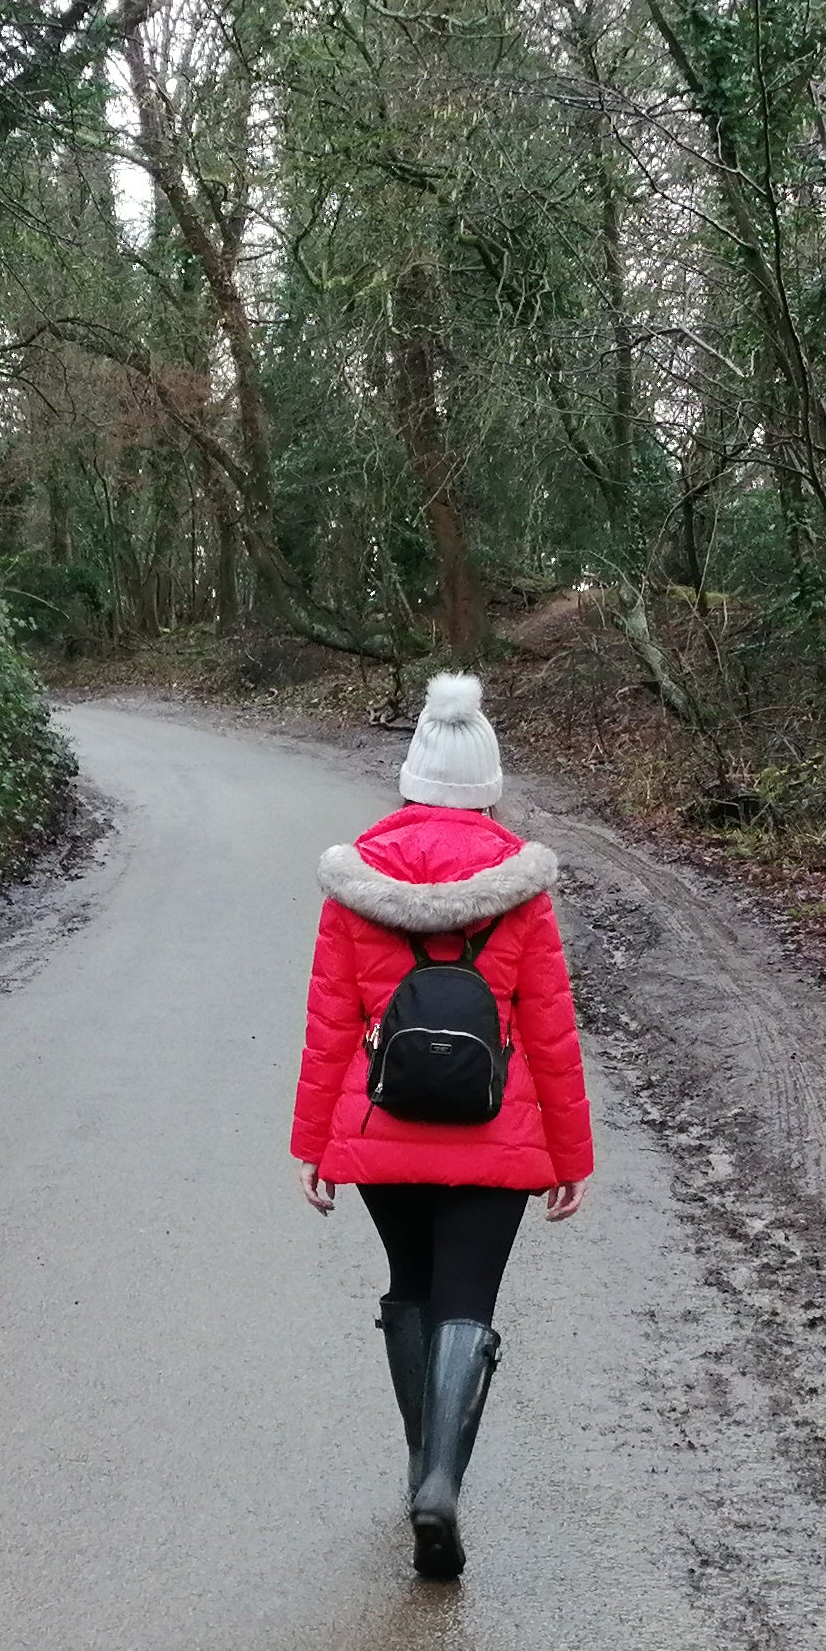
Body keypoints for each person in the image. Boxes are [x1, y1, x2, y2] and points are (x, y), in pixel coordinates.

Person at [289, 672, 595, 1581]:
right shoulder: (521, 890)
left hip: (382, 1131)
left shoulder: (355, 883)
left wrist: (314, 1145)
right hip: (495, 1134)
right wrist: (569, 1157)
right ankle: (442, 1481)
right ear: (490, 782)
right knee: (468, 1302)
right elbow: (548, 1027)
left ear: (411, 777)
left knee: (410, 1287)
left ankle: (421, 1464)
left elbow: (329, 1025)